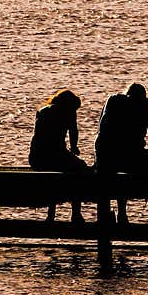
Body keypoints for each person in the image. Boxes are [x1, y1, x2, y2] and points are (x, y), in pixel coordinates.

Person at [94, 83, 148, 227]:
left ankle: (122, 214)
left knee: (120, 175)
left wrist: (99, 160)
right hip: (132, 154)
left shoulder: (113, 101)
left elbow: (100, 134)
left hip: (110, 156)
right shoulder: (143, 105)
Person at [28, 89, 88, 224]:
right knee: (79, 170)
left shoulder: (43, 111)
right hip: (55, 155)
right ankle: (76, 214)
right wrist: (74, 147)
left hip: (36, 158)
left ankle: (51, 215)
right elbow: (73, 132)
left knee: (53, 181)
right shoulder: (68, 112)